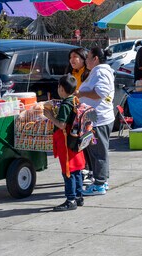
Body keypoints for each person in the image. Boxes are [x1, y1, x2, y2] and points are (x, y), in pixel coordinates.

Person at [43, 75, 85, 211]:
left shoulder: (66, 104)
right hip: (76, 141)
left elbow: (61, 125)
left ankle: (70, 199)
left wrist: (50, 116)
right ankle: (79, 196)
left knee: (68, 172)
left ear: (61, 88)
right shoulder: (75, 100)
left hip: (66, 142)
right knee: (77, 170)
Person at [80, 47, 115, 196]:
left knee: (98, 152)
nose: (85, 60)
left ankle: (99, 184)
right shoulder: (98, 71)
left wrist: (80, 93)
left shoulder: (100, 71)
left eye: (88, 57)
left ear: (95, 59)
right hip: (96, 118)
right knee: (96, 152)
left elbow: (99, 93)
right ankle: (101, 180)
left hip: (99, 119)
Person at [65, 47, 95, 183]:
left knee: (89, 142)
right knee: (77, 142)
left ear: (83, 59)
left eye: (75, 57)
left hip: (87, 113)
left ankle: (91, 170)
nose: (72, 60)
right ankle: (82, 169)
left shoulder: (89, 74)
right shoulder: (69, 73)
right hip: (74, 112)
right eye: (70, 57)